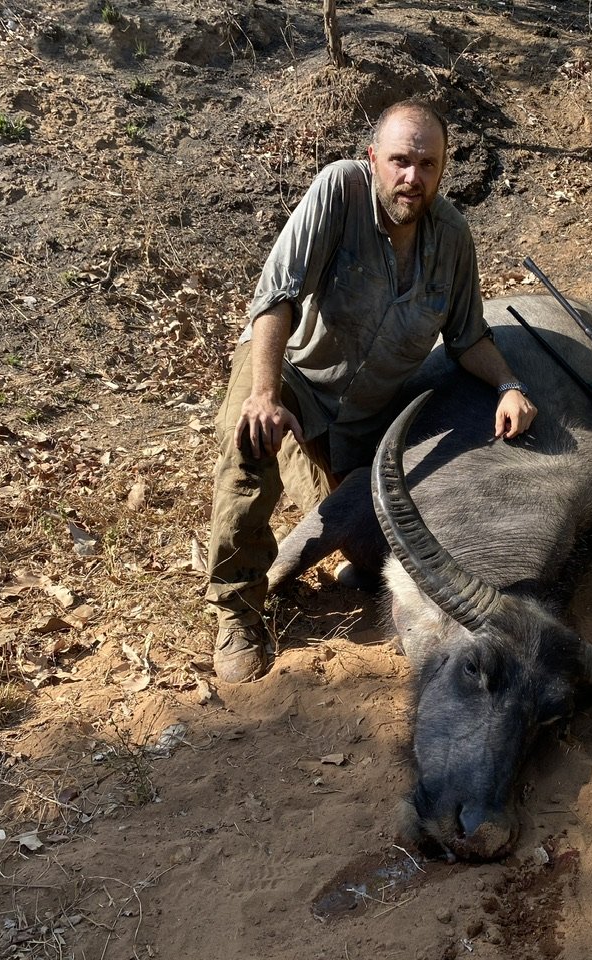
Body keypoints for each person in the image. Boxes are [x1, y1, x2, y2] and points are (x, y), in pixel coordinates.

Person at [205, 98, 537, 683]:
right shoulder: (340, 190)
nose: (413, 177)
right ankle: (237, 609)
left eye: (428, 164)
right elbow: (276, 293)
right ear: (373, 159)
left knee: (372, 547)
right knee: (250, 446)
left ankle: (321, 528)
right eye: (400, 161)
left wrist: (509, 385)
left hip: (366, 416)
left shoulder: (453, 238)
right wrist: (264, 392)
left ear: (442, 169)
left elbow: (468, 337)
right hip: (295, 374)